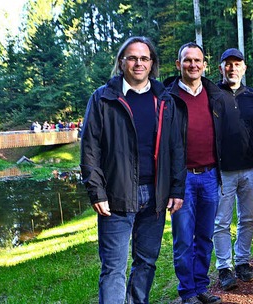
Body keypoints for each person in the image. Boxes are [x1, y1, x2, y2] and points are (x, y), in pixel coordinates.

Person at [80, 36, 186, 304]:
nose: (138, 63)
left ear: (152, 64)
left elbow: (176, 148)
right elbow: (90, 149)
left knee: (146, 262)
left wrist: (176, 188)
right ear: (121, 62)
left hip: (156, 196)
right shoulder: (103, 98)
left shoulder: (164, 99)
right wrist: (97, 192)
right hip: (116, 196)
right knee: (113, 268)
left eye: (144, 58)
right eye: (132, 57)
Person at [166, 42, 238, 304]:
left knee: (205, 236)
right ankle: (187, 293)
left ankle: (201, 287)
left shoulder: (214, 94)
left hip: (209, 176)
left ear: (205, 65)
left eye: (197, 61)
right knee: (184, 238)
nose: (193, 65)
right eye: (187, 60)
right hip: (182, 178)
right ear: (178, 64)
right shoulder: (168, 97)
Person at [213, 48, 253, 290]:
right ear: (220, 67)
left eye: (237, 64)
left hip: (249, 168)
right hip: (222, 170)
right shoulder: (212, 94)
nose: (232, 68)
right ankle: (224, 267)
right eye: (228, 64)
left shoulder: (251, 95)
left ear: (244, 68)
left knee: (248, 218)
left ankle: (242, 262)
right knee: (222, 221)